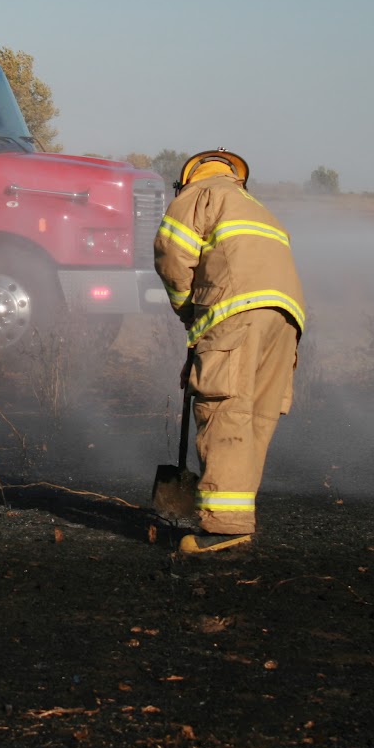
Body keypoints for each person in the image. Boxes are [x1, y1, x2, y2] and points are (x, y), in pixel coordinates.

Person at [154, 149, 306, 554]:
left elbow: (171, 257)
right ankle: (236, 515)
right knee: (255, 413)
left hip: (237, 312)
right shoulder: (257, 207)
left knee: (224, 408)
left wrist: (188, 313)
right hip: (285, 318)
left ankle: (224, 527)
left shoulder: (200, 194)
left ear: (189, 177)